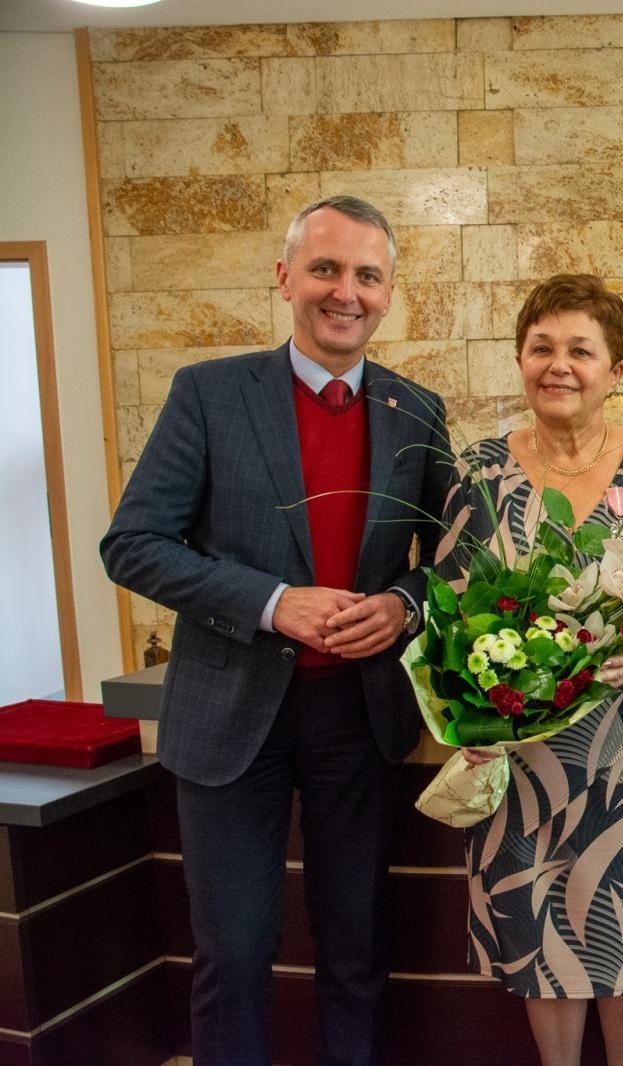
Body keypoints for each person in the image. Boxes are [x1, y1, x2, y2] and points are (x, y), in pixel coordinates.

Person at [100, 195, 454, 1066]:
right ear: (286, 276)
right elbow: (132, 543)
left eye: (368, 275)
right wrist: (272, 601)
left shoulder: (419, 412)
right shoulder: (209, 395)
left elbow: (456, 556)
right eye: (327, 268)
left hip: (359, 722)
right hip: (230, 720)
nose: (347, 292)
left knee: (357, 948)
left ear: (389, 292)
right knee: (234, 951)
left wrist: (405, 604)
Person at [438, 274, 623, 1066]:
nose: (559, 365)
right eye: (542, 347)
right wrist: (466, 710)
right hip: (519, 760)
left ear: (616, 370)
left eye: (581, 350)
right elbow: (446, 619)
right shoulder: (479, 472)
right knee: (536, 933)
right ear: (519, 359)